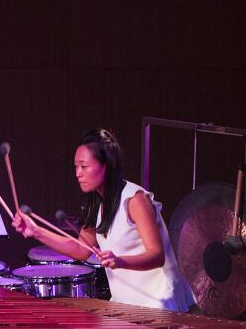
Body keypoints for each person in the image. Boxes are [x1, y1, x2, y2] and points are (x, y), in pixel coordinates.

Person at [11, 127, 195, 313]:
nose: (78, 173)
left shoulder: (135, 200)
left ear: (106, 165)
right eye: (76, 167)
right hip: (126, 305)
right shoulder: (98, 204)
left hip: (159, 304)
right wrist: (35, 231)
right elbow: (80, 249)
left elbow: (157, 256)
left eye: (84, 166)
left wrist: (120, 261)